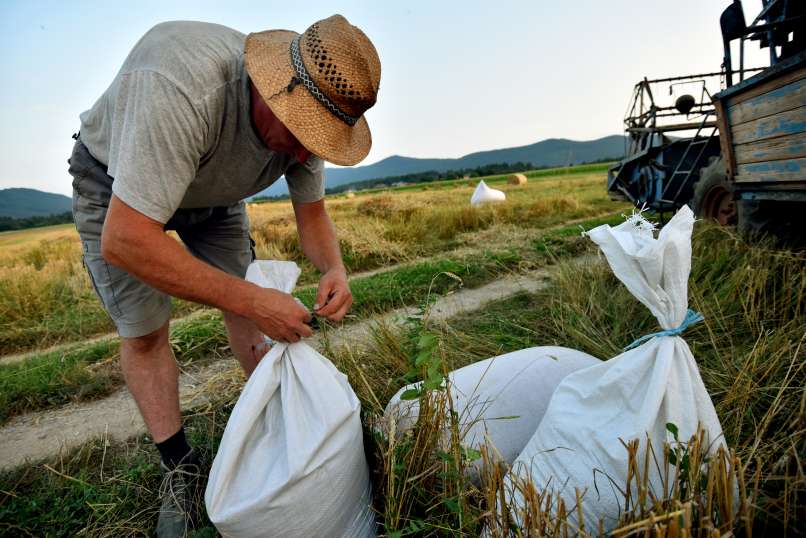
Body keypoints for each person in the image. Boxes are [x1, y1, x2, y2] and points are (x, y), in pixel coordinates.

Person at [68, 14, 380, 536]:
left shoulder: (314, 113)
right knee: (145, 331)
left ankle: (283, 422)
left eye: (320, 141)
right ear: (272, 88)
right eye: (302, 133)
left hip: (214, 196)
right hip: (117, 185)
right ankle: (179, 468)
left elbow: (313, 214)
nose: (305, 154)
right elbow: (126, 240)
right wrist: (254, 299)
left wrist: (335, 267)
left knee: (246, 305)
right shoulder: (181, 90)